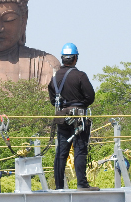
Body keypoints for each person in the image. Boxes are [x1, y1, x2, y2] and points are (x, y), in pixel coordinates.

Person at [48, 43, 99, 191]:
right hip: (79, 118)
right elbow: (90, 97)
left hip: (61, 117)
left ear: (63, 59)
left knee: (61, 152)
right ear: (75, 58)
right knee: (80, 149)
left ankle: (59, 186)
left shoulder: (54, 78)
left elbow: (53, 100)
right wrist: (79, 105)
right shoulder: (80, 76)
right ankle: (82, 184)